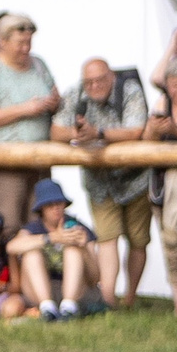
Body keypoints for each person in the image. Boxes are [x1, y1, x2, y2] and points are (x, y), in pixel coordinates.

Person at [53, 57, 151, 308]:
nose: (94, 86)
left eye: (100, 80)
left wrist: (98, 133)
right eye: (89, 82)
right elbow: (56, 132)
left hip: (135, 178)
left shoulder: (130, 91)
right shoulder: (76, 93)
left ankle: (129, 297)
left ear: (112, 77)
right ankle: (108, 300)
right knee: (107, 238)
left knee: (138, 239)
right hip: (100, 181)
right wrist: (77, 133)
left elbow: (136, 130)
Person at [0, 13, 61, 228]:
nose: (26, 48)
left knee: (39, 221)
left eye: (29, 42)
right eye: (20, 43)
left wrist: (53, 103)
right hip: (5, 161)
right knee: (9, 222)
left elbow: (55, 93)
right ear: (2, 41)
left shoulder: (38, 65)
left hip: (39, 158)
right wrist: (24, 109)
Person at [8, 178, 96, 318]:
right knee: (31, 254)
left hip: (74, 290)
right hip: (40, 291)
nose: (56, 208)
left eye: (59, 203)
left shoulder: (78, 228)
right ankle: (47, 309)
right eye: (49, 204)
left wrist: (83, 248)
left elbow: (95, 277)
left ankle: (69, 308)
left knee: (73, 250)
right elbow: (12, 247)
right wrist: (52, 238)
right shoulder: (33, 228)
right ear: (41, 208)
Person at [148, 68, 177, 312]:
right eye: (175, 85)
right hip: (163, 189)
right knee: (171, 245)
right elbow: (146, 140)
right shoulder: (161, 106)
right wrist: (154, 130)